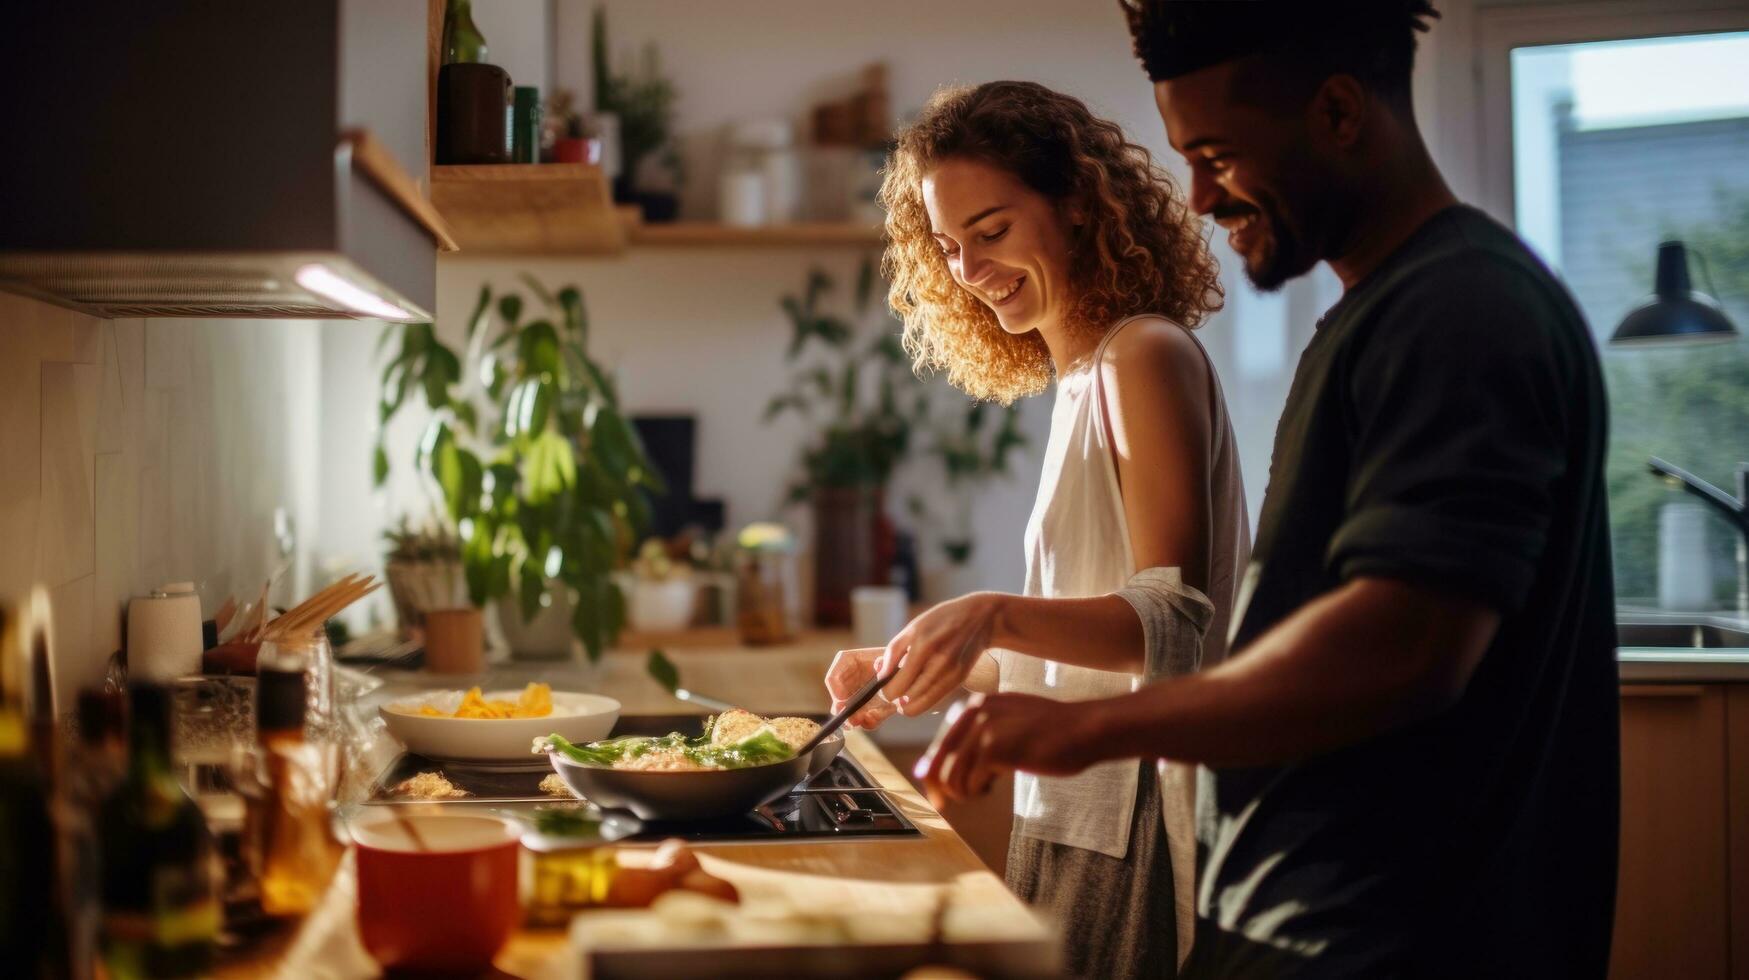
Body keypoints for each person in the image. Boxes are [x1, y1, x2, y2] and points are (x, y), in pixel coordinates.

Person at [916, 3, 1621, 977]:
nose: (1198, 195)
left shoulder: (1461, 310)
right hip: (1302, 915)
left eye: (1218, 152)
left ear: (1338, 112)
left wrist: (1085, 723)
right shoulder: (1369, 321)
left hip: (1393, 935)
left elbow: (1402, 645)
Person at [825, 80, 1250, 978]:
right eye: (945, 247)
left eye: (991, 231)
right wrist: (927, 663)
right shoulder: (1083, 378)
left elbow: (1175, 621)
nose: (968, 272)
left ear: (1080, 207)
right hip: (1074, 809)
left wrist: (990, 612)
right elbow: (1071, 651)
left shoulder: (1143, 354)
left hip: (1138, 814)